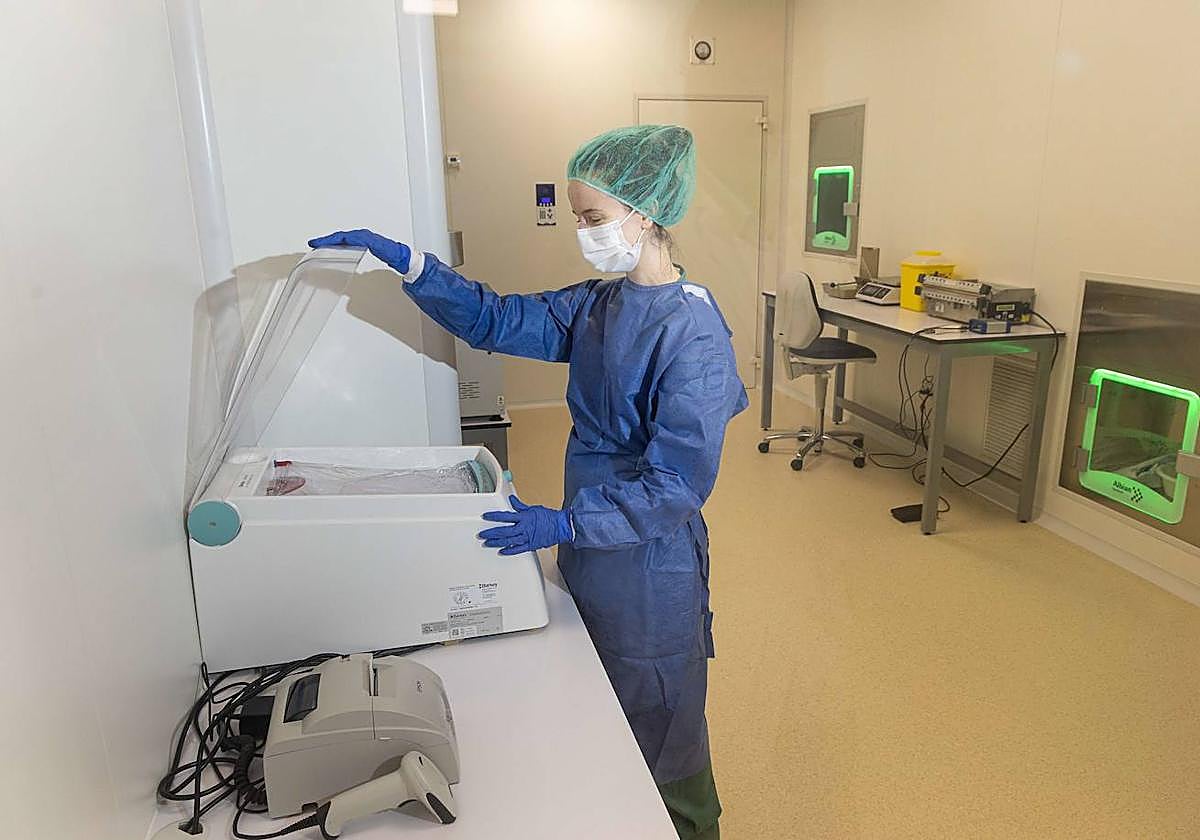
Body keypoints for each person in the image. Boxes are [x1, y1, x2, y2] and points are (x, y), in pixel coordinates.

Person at [310, 124, 747, 840]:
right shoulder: (601, 305)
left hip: (649, 567)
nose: (583, 232)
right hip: (592, 547)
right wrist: (415, 267)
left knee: (663, 733)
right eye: (579, 217)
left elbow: (675, 486)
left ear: (644, 213)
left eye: (594, 217)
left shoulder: (693, 333)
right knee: (597, 707)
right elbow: (497, 319)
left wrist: (566, 522)